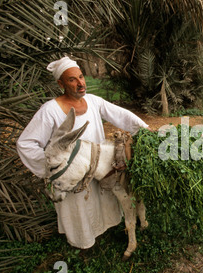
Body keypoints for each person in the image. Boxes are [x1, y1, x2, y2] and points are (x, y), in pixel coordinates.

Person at [17, 56, 149, 250]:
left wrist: (145, 131)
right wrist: (54, 167)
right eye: (72, 79)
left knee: (102, 200)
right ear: (60, 83)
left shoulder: (93, 101)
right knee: (79, 208)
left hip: (99, 167)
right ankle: (83, 240)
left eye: (81, 76)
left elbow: (120, 114)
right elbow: (26, 143)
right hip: (74, 175)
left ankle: (104, 228)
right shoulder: (50, 111)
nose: (80, 83)